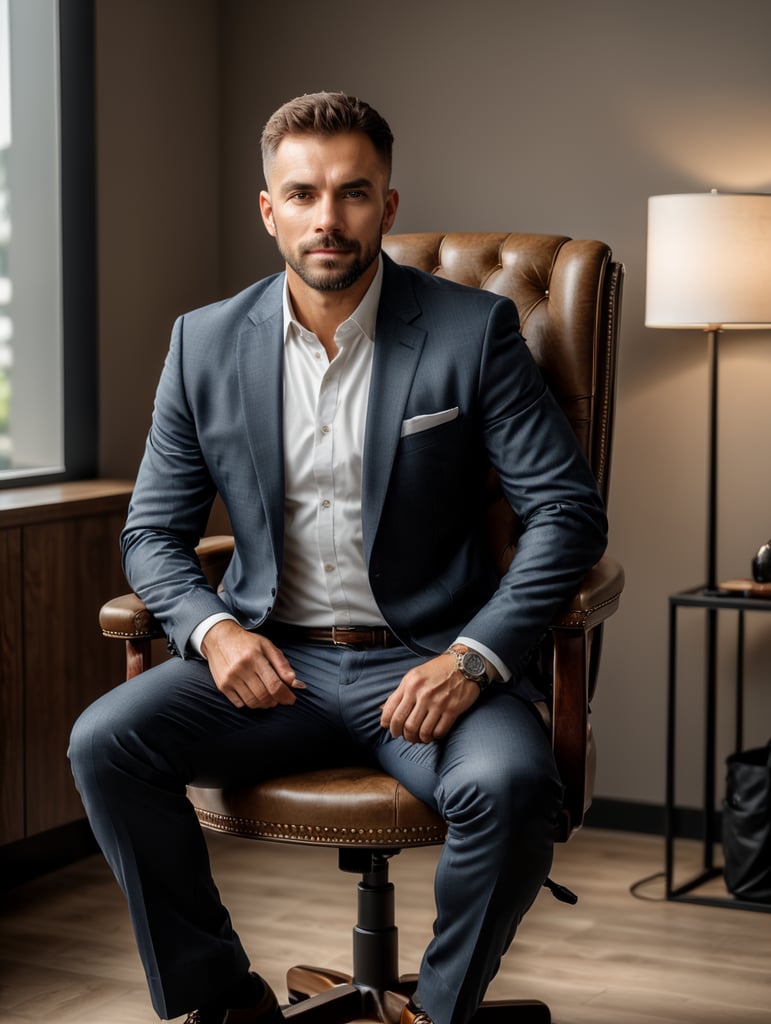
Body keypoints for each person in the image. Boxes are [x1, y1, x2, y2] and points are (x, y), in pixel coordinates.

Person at [69, 91, 607, 1024]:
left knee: (512, 786)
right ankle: (225, 1002)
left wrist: (471, 659)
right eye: (304, 194)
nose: (329, 218)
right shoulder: (202, 342)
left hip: (428, 661)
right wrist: (212, 631)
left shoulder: (468, 331)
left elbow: (564, 514)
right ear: (268, 209)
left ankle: (437, 1012)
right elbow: (151, 533)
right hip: (273, 663)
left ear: (387, 207)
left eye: (354, 193)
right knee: (104, 742)